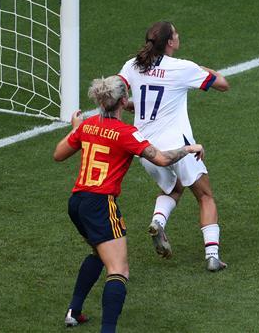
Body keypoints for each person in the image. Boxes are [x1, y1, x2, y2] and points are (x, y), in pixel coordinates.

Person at [54, 76, 204, 332]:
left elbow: (58, 155)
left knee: (98, 253)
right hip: (101, 204)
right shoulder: (126, 133)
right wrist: (188, 148)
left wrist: (75, 127)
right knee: (119, 269)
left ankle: (73, 312)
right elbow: (162, 159)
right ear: (124, 101)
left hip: (77, 202)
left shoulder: (87, 126)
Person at [118, 21, 230, 271]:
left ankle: (158, 222)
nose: (179, 35)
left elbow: (121, 92)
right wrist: (200, 68)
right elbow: (223, 83)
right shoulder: (183, 68)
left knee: (174, 189)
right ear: (170, 43)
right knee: (205, 196)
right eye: (176, 33)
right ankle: (212, 256)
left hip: (145, 149)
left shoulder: (133, 65)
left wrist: (130, 106)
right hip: (178, 147)